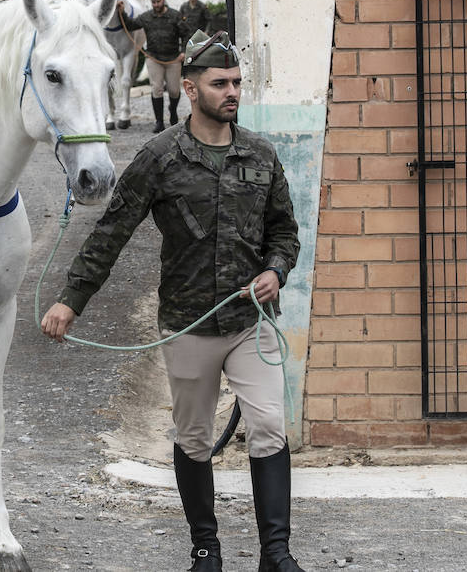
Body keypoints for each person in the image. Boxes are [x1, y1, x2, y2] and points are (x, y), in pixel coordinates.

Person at [40, 30, 304, 572]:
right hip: (188, 324)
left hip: (251, 320)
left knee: (268, 428)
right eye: (219, 83)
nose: (231, 91)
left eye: (235, 82)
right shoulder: (160, 157)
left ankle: (276, 554)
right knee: (193, 437)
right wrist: (71, 300)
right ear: (189, 88)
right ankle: (205, 550)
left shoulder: (261, 153)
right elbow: (111, 232)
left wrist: (277, 271)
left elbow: (285, 233)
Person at [121, 0, 191, 133]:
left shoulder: (175, 15)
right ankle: (159, 122)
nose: (156, 4)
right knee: (156, 89)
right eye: (154, 2)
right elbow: (130, 25)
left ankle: (173, 113)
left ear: (163, 0)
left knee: (174, 90)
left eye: (158, 1)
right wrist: (121, 12)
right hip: (153, 58)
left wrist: (184, 51)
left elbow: (186, 34)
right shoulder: (146, 17)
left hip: (173, 58)